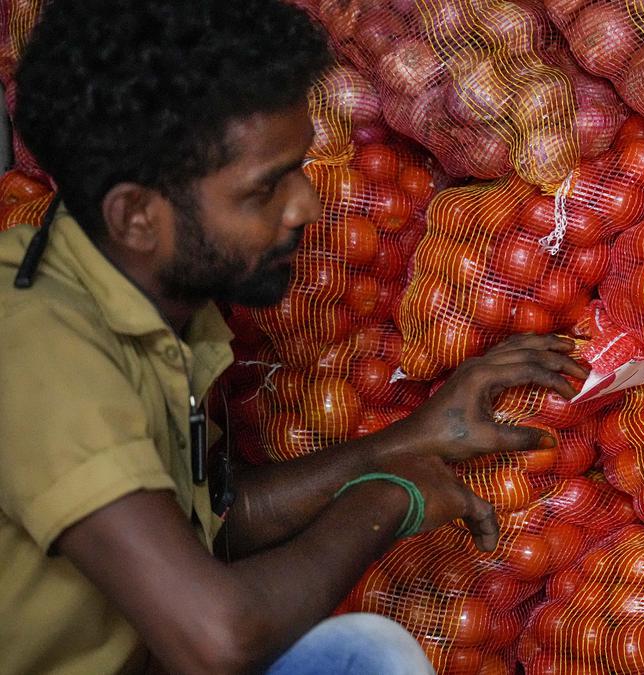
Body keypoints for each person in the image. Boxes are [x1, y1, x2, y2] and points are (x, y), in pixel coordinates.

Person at [0, 1, 585, 673]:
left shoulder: (141, 299)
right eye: (262, 190)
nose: (305, 204)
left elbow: (216, 518)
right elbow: (216, 638)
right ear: (135, 215)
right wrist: (389, 498)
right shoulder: (38, 350)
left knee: (371, 650)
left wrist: (411, 439)